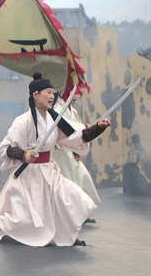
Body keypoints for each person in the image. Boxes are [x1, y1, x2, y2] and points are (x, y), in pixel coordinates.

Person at [0, 73, 111, 247]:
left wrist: (98, 128)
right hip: (27, 176)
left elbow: (77, 135)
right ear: (35, 94)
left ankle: (65, 235)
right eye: (48, 92)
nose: (52, 96)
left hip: (49, 171)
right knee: (22, 221)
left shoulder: (55, 121)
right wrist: (24, 154)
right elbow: (4, 148)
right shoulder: (23, 121)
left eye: (53, 92)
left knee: (70, 199)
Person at [52, 92, 101, 221]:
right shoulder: (57, 110)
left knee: (81, 178)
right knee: (67, 183)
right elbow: (62, 134)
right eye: (72, 95)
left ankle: (82, 212)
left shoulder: (73, 111)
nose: (75, 98)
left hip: (71, 151)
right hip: (60, 153)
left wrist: (77, 150)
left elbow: (77, 132)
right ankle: (72, 215)